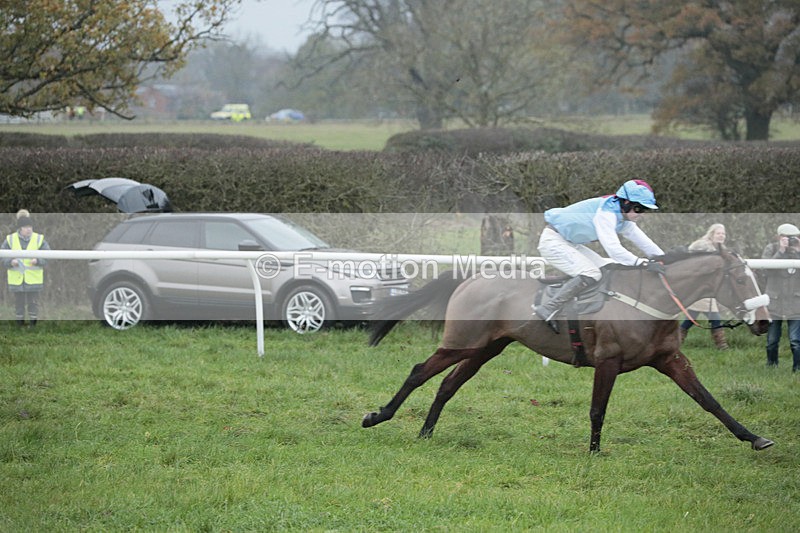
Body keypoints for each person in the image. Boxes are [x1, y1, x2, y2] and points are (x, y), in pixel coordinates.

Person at [533, 179, 665, 333]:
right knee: (591, 273)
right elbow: (614, 250)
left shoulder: (621, 216)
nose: (641, 214)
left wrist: (664, 259)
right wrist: (642, 263)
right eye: (639, 209)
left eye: (644, 210)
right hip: (553, 241)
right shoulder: (607, 213)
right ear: (626, 202)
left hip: (568, 242)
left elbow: (644, 242)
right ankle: (548, 309)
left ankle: (582, 309)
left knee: (605, 269)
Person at [678, 223, 729, 350]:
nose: (721, 236)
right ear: (712, 234)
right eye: (719, 233)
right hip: (700, 288)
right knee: (714, 317)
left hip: (708, 289)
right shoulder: (701, 247)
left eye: (723, 233)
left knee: (691, 318)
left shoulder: (720, 249)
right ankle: (722, 345)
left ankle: (677, 340)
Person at [761, 223, 800, 371]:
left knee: (796, 340)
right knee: (772, 340)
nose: (791, 241)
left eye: (793, 238)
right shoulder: (771, 249)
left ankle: (797, 368)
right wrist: (781, 251)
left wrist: (797, 251)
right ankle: (772, 366)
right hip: (775, 302)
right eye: (787, 238)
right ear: (779, 237)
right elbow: (765, 270)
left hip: (796, 303)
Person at [2, 210, 50, 327]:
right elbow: (2, 256)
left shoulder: (39, 239)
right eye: (26, 227)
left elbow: (48, 255)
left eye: (30, 227)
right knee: (19, 303)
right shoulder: (10, 239)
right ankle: (20, 324)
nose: (29, 229)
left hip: (34, 279)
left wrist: (38, 261)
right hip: (17, 279)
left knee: (32, 302)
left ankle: (33, 324)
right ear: (20, 229)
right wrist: (10, 262)